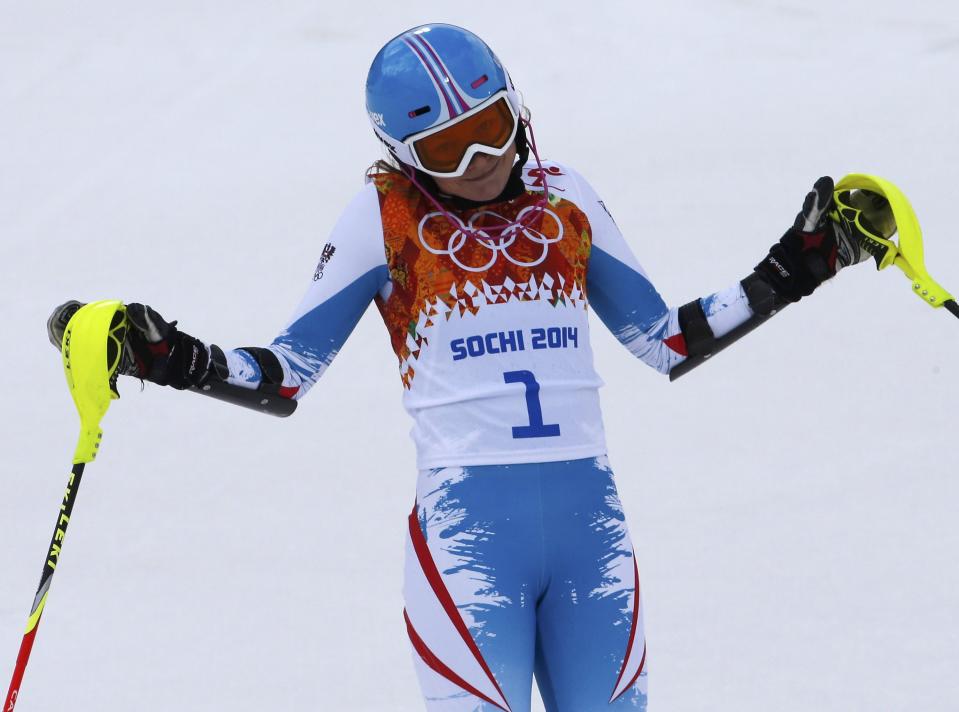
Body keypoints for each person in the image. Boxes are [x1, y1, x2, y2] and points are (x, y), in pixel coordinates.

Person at [48, 23, 883, 712]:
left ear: (516, 107)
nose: (477, 160)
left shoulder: (566, 199)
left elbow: (663, 341)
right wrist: (168, 357)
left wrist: (796, 266)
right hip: (468, 541)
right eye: (443, 148)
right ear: (400, 151)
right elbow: (285, 373)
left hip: (592, 534)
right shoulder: (384, 216)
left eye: (488, 127)